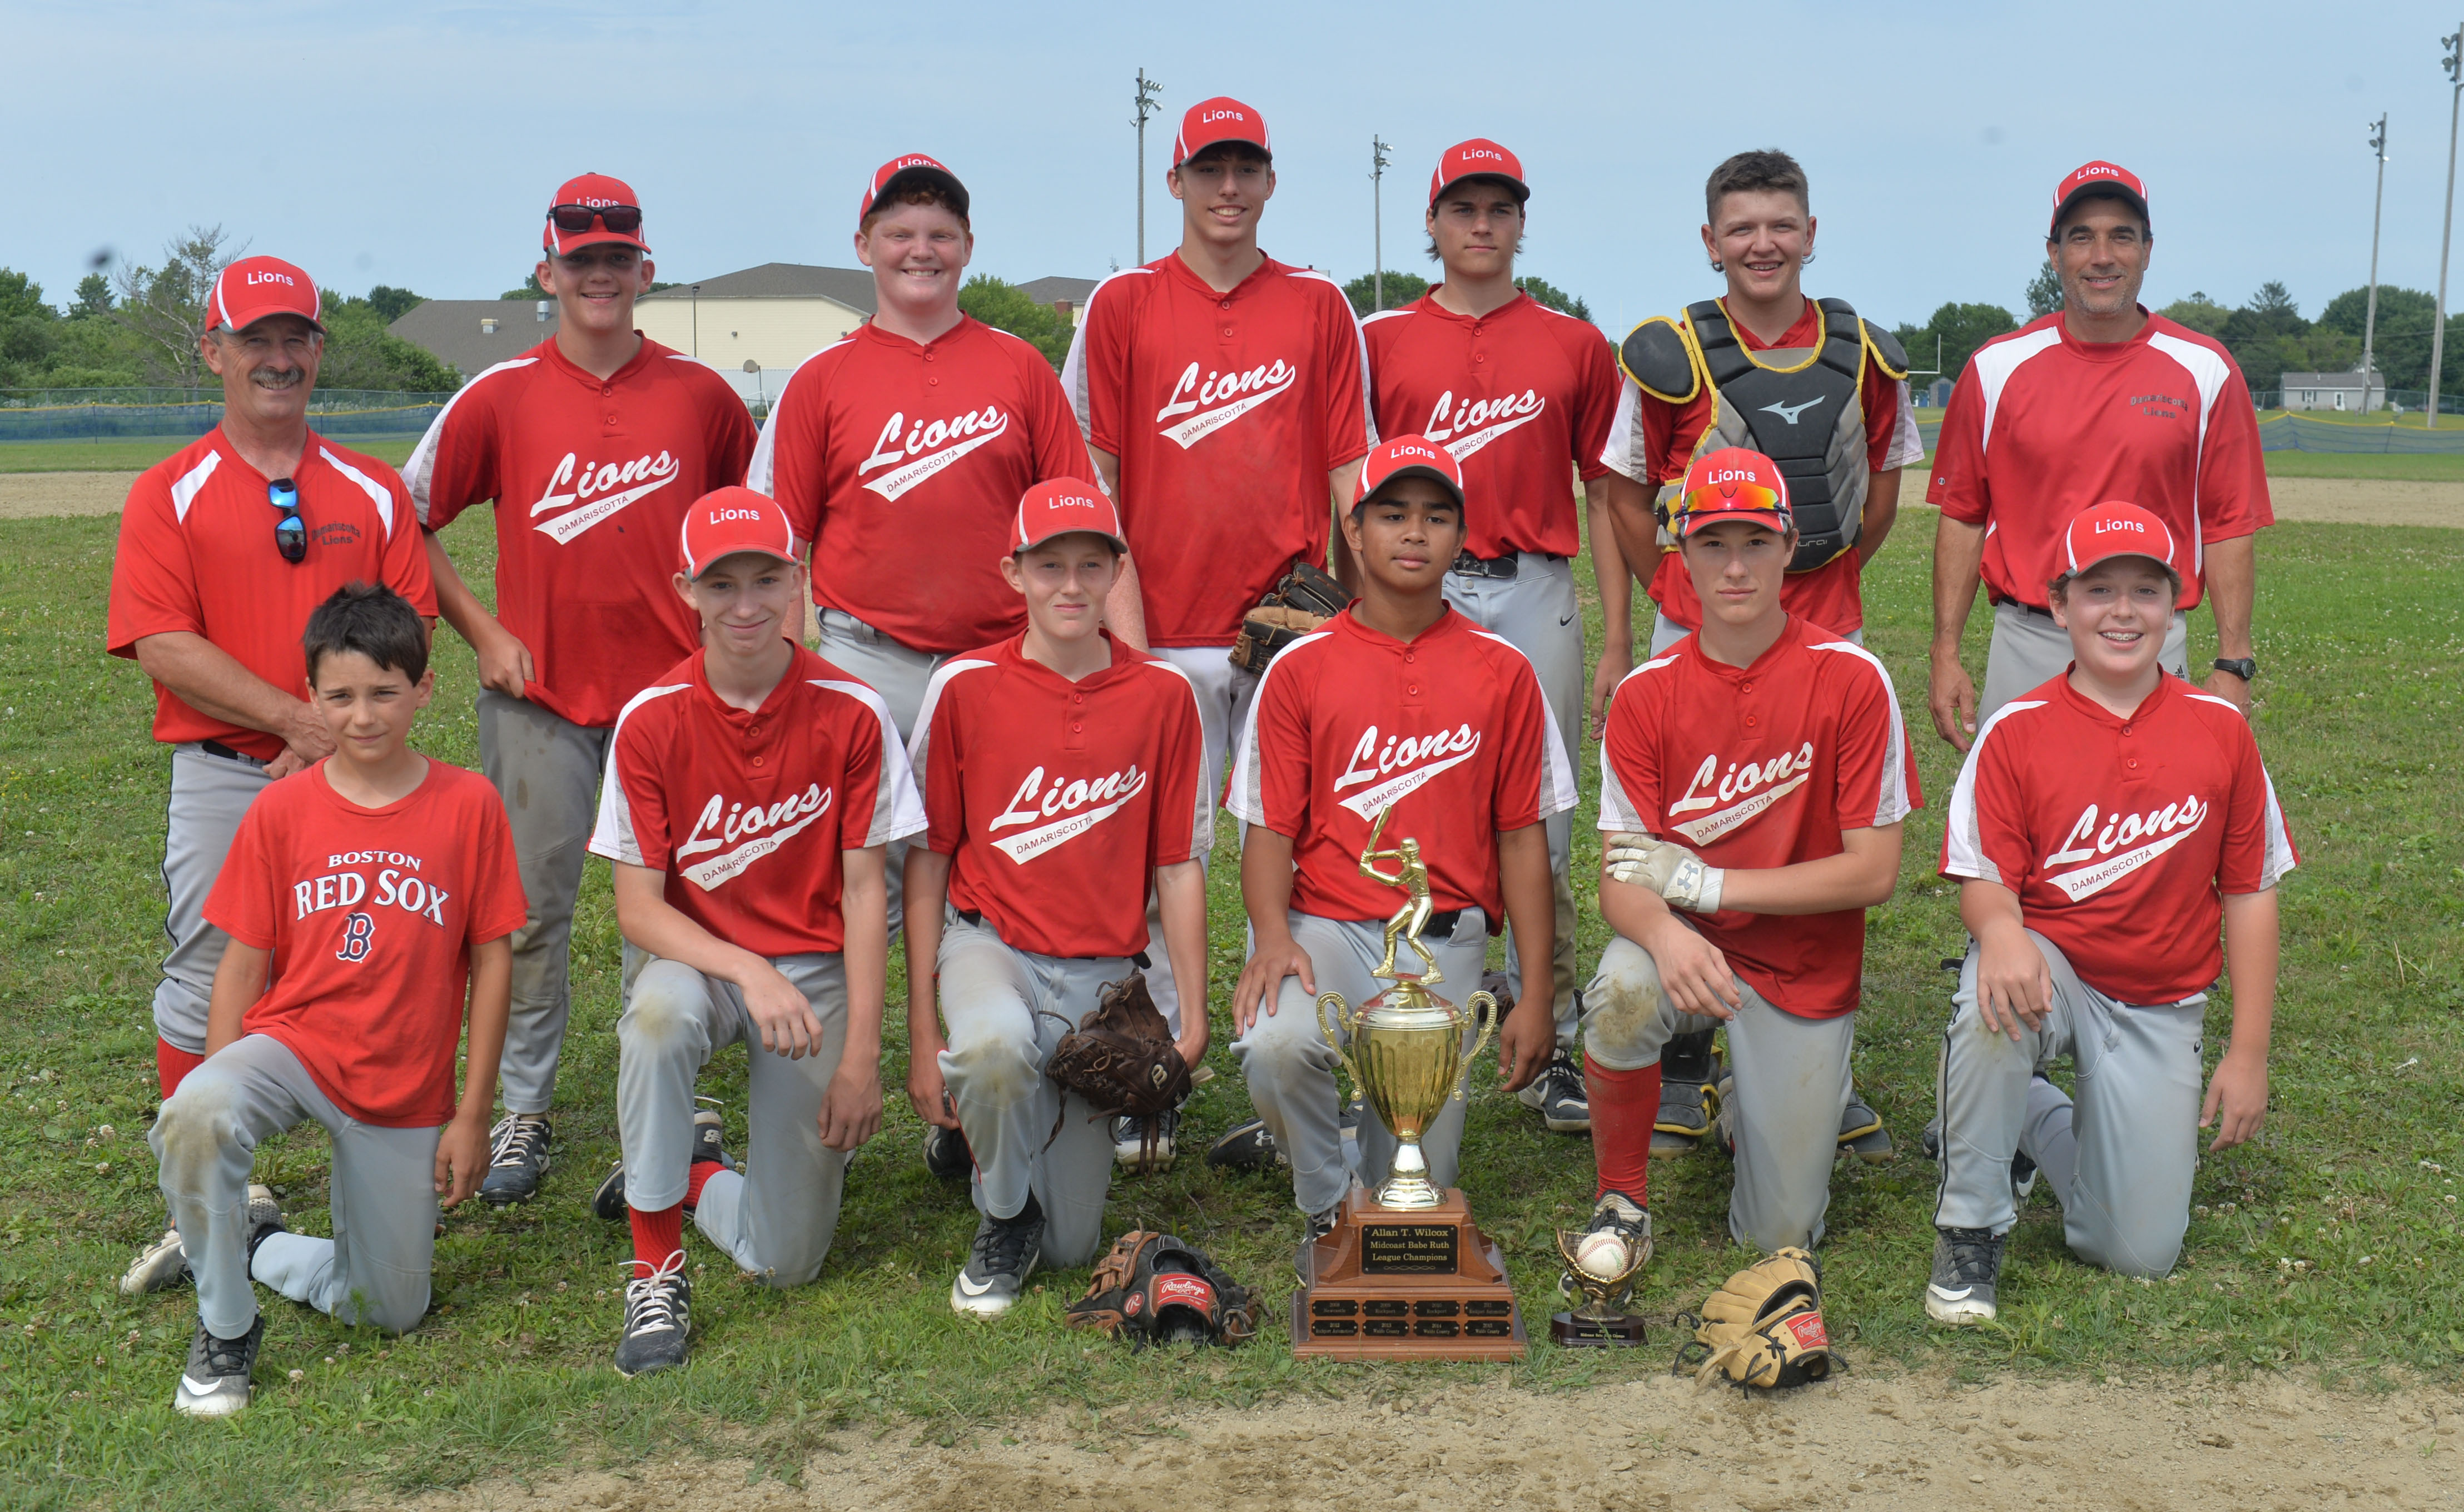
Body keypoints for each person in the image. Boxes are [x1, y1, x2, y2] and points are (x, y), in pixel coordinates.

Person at [403, 173, 759, 1206]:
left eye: (617, 257)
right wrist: (482, 630)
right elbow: (404, 517)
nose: (598, 274)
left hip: (673, 703)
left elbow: (750, 532)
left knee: (685, 902)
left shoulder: (700, 396)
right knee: (529, 914)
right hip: (541, 699)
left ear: (644, 270)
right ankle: (524, 1107)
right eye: (580, 257)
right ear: (546, 268)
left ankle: (679, 1099)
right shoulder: (500, 394)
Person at [107, 255, 437, 1295]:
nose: (279, 358)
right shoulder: (171, 491)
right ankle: (210, 1205)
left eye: (297, 338)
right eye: (256, 339)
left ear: (319, 351)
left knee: (374, 966)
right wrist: (299, 723)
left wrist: (330, 738)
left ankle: (371, 1173)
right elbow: (161, 639)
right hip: (227, 771)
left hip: (362, 775)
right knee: (207, 976)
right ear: (214, 352)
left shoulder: (374, 488)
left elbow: (411, 625)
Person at [1593, 148, 1921, 1163]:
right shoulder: (1666, 352)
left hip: (1823, 621)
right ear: (1710, 243)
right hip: (1692, 622)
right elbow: (1620, 486)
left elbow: (1876, 493)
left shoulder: (1865, 349)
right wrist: (1670, 593)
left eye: (1780, 224)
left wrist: (1811, 588)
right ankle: (1684, 1053)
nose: (1762, 244)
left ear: (1811, 232)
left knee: (1807, 828)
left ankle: (1818, 1053)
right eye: (1741, 227)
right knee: (1685, 825)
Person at [1062, 97, 1374, 1144]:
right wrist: (1129, 639)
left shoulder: (1320, 307)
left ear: (1271, 182)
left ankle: (1296, 1061)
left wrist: (1360, 619)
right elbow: (1091, 477)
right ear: (1176, 183)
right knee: (1158, 863)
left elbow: (1348, 470)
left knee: (1301, 847)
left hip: (1291, 631)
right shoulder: (1122, 304)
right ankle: (1150, 1071)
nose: (1227, 189)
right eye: (1209, 170)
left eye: (1246, 170)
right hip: (1162, 630)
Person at [152, 583, 525, 1416]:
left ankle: (267, 1249)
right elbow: (243, 968)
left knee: (387, 1310)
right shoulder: (282, 810)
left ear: (425, 689)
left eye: (386, 693)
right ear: (312, 696)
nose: (364, 716)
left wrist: (472, 1114)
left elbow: (493, 962)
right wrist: (217, 1094)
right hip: (297, 1046)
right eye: (342, 696)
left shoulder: (470, 805)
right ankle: (226, 1325)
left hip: (402, 1080)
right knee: (194, 1113)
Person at [1926, 500, 2293, 1324]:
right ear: (2059, 606)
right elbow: (1983, 880)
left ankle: (2022, 1115)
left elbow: (2250, 892)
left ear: (2176, 604)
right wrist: (2001, 932)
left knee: (2137, 1252)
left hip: (2162, 1000)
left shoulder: (2220, 732)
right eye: (2098, 590)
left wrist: (2249, 1052)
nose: (2122, 612)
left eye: (2146, 590)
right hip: (2056, 974)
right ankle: (1970, 1230)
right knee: (1996, 986)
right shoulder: (2017, 730)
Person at [583, 486, 921, 1376]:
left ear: (799, 580)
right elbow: (638, 909)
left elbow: (862, 893)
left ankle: (688, 1173)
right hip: (699, 960)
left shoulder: (854, 711)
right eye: (720, 583)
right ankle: (655, 1268)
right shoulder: (651, 717)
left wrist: (860, 1062)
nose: (745, 605)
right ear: (684, 589)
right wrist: (747, 969)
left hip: (813, 971)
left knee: (786, 1260)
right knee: (656, 1020)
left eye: (766, 579)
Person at [1224, 437, 1571, 1266]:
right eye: (1392, 514)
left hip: (1442, 944)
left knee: (1408, 1198)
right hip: (1325, 928)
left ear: (1461, 539)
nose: (1413, 533)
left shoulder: (1505, 671)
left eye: (1435, 517)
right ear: (1356, 530)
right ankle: (1321, 1203)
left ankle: (1364, 1175)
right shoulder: (1301, 667)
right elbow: (1268, 828)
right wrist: (1271, 937)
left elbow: (1524, 843)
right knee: (1278, 1045)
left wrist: (1532, 993)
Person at [1575, 447, 1917, 1270]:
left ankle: (1752, 1103)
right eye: (1713, 544)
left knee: (1780, 1237)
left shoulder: (1852, 678)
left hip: (1802, 963)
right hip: (1689, 951)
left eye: (1756, 544)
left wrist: (1703, 882)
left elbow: (1874, 871)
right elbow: (1621, 883)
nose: (1735, 567)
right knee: (1623, 990)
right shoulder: (1648, 692)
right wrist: (1667, 935)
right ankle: (1622, 1195)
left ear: (1791, 544)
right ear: (1680, 553)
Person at [1356, 138, 1630, 1135]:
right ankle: (1390, 1012)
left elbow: (1603, 494)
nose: (1480, 224)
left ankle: (1546, 1024)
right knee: (1396, 794)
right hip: (1411, 586)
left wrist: (1611, 639)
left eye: (1498, 208)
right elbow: (1353, 482)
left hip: (1531, 587)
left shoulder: (1571, 342)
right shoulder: (1378, 335)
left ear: (1521, 223)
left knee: (1541, 817)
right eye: (1461, 207)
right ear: (1429, 225)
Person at [903, 480, 1211, 1316]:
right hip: (988, 945)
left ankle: (978, 1145)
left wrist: (1194, 1016)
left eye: (1090, 564)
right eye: (1049, 566)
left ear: (1117, 570)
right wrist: (922, 1026)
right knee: (996, 1048)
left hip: (1102, 979)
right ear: (1014, 573)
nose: (1070, 586)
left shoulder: (1164, 694)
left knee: (1073, 1246)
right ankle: (1002, 1212)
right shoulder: (963, 686)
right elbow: (930, 860)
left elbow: (1179, 868)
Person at [1926, 161, 2272, 750]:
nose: (2102, 255)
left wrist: (2233, 661)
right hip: (2028, 638)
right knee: (2016, 827)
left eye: (2122, 236)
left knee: (2150, 829)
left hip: (2149, 635)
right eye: (2081, 236)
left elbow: (2227, 522)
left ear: (2147, 250)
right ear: (2053, 253)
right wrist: (1945, 651)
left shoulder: (2206, 369)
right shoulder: (1994, 368)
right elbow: (1962, 514)